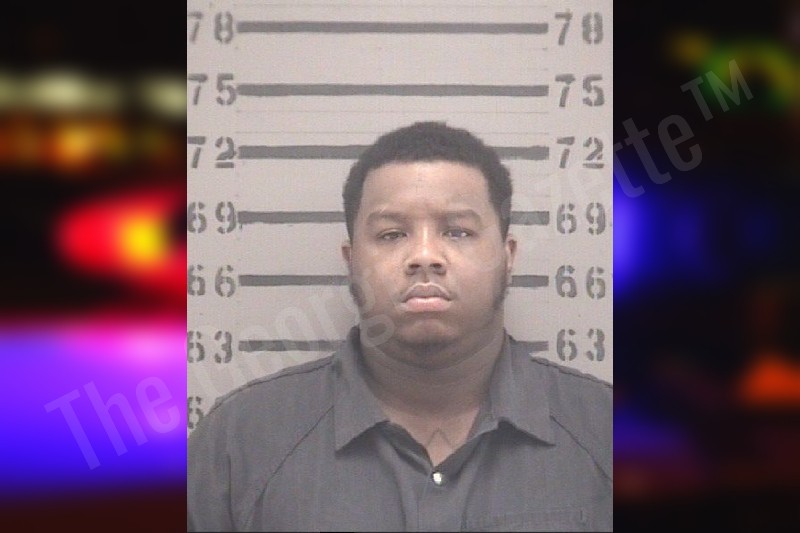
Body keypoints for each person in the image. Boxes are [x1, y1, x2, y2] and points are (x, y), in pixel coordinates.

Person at [187, 122, 612, 531]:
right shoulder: (238, 444)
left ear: (508, 256)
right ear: (351, 260)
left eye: (458, 231)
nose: (425, 256)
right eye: (391, 235)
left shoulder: (607, 432)